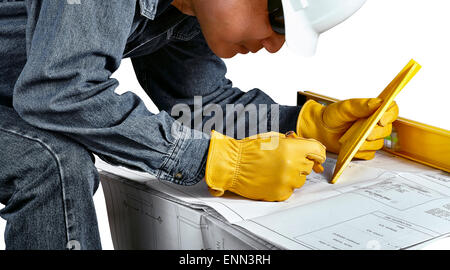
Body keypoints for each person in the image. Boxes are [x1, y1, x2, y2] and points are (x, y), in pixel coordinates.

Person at [0, 0, 398, 250]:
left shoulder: (187, 9)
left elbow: (200, 106)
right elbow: (60, 90)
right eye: (277, 18)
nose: (276, 44)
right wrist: (216, 160)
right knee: (52, 163)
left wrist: (306, 123)